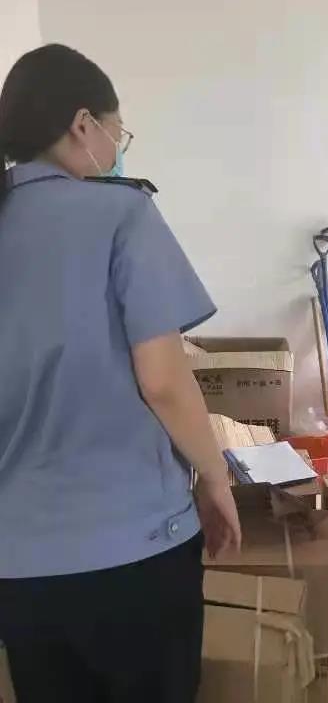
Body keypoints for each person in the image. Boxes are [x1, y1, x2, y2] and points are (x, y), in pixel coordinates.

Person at [0, 44, 241, 703]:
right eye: (118, 131)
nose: (118, 147)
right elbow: (163, 381)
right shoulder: (120, 213)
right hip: (135, 550)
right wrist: (215, 478)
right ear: (84, 124)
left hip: (18, 565)